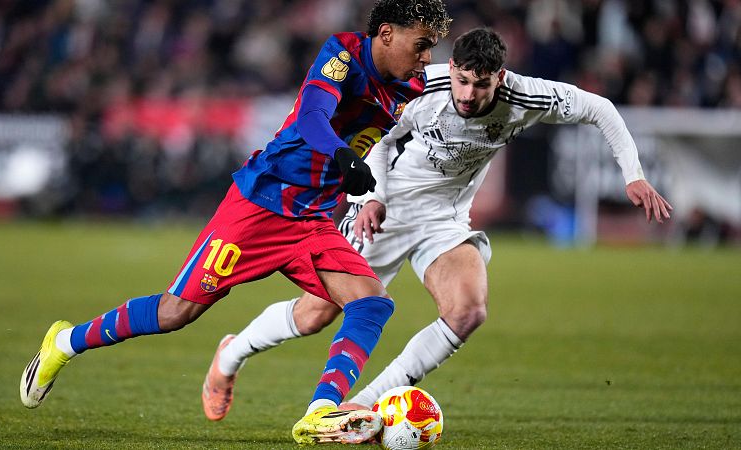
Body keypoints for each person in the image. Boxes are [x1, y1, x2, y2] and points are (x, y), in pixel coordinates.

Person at [19, 0, 452, 445]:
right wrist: (343, 157)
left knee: (372, 302)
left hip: (313, 219)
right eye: (420, 46)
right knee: (174, 313)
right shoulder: (342, 54)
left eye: (431, 48)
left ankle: (322, 411)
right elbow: (312, 115)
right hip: (261, 206)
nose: (426, 58)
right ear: (385, 34)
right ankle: (65, 343)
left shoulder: (411, 86)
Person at [201, 27, 673, 418]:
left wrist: (633, 176)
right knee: (315, 315)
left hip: (446, 218)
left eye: (481, 85)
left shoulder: (525, 96)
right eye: (463, 81)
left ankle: (363, 405)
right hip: (389, 208)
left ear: (499, 78)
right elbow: (381, 141)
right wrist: (372, 196)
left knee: (468, 310)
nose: (469, 95)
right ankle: (232, 353)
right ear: (452, 70)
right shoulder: (421, 87)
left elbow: (600, 109)